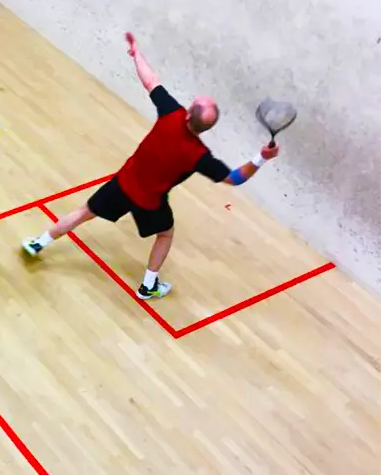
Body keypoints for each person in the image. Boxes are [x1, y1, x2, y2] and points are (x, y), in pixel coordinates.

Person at [21, 32, 281, 300]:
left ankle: (39, 242)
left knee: (85, 211)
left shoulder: (171, 112)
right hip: (150, 202)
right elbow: (234, 178)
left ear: (189, 113)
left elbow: (150, 81)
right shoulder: (200, 156)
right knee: (165, 234)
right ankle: (148, 285)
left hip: (123, 184)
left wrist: (136, 52)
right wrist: (262, 157)